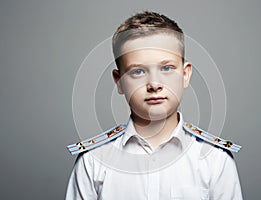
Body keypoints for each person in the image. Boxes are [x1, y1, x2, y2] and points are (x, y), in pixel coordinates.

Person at [65, 11, 243, 200]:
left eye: (166, 68)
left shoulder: (215, 160)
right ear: (119, 81)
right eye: (138, 71)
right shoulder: (93, 160)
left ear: (185, 75)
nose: (154, 84)